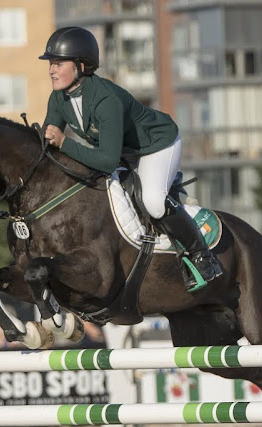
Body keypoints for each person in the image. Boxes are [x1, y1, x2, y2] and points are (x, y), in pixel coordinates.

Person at [39, 27, 223, 289]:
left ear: (81, 66)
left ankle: (202, 256)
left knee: (153, 202)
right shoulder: (59, 98)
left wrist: (65, 142)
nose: (51, 70)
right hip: (124, 152)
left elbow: (106, 161)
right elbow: (50, 142)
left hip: (157, 146)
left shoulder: (105, 100)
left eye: (58, 64)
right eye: (51, 64)